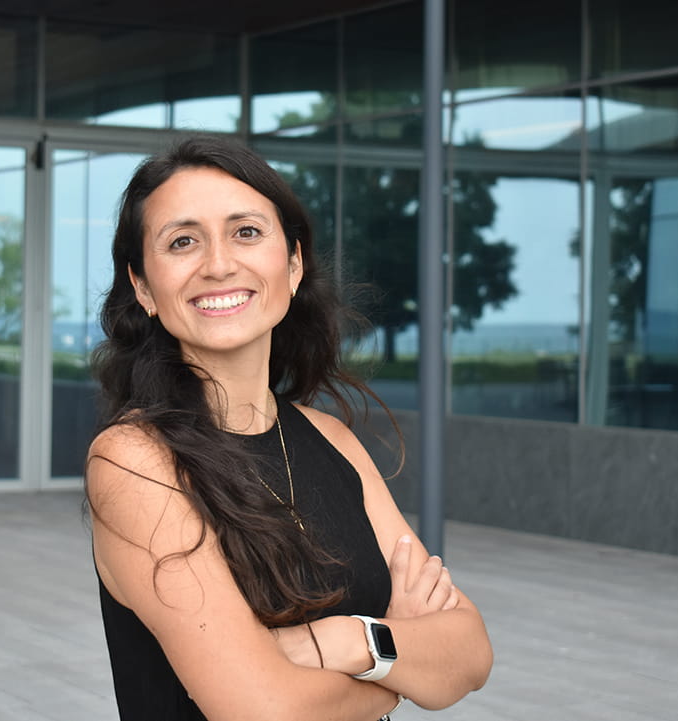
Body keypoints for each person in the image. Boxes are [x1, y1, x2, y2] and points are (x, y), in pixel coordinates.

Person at [87, 135, 492, 721]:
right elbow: (266, 711)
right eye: (182, 241)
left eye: (246, 232)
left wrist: (349, 641)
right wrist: (403, 660)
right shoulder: (134, 461)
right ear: (144, 287)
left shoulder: (331, 439)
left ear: (294, 263)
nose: (219, 264)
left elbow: (471, 652)